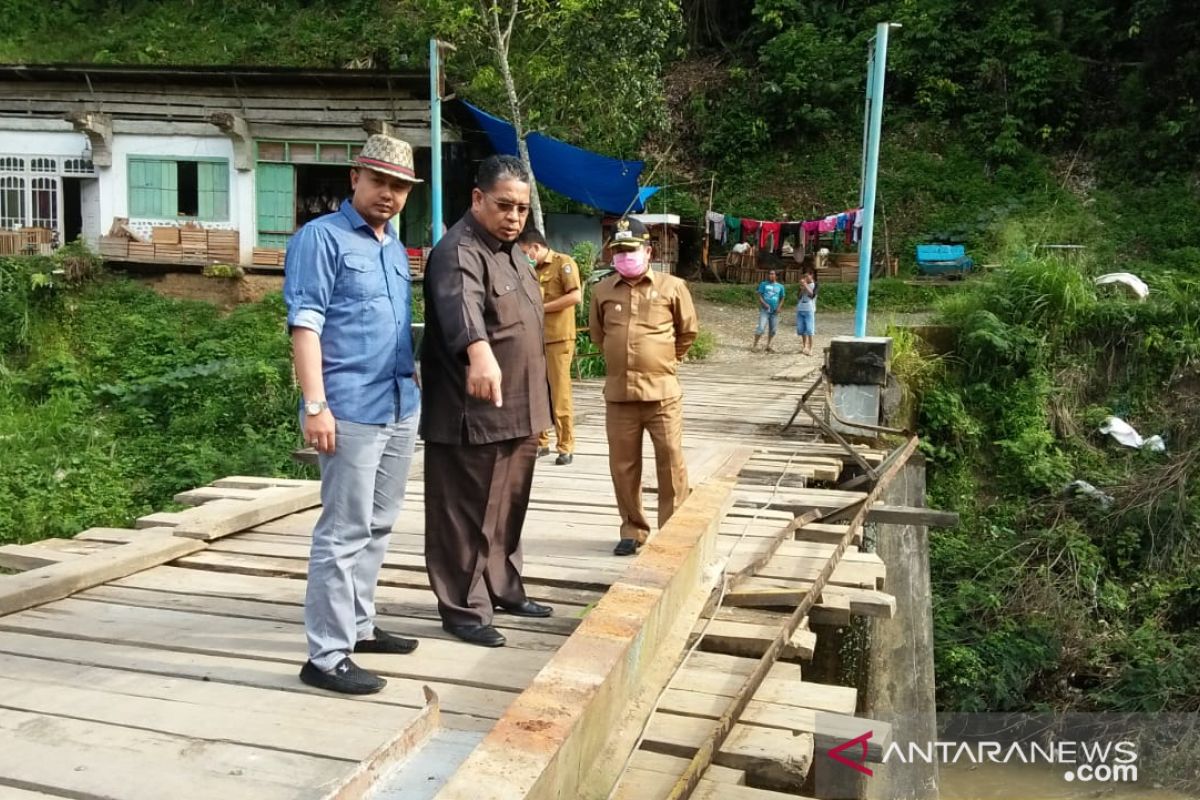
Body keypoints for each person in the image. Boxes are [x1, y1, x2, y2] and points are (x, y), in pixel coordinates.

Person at [283, 134, 423, 696]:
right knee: (342, 532)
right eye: (380, 182)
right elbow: (306, 325)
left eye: (400, 187)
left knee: (380, 523)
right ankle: (325, 655)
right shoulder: (321, 239)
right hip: (349, 409)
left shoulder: (392, 246)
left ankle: (360, 627)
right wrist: (315, 404)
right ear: (354, 180)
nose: (389, 195)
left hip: (398, 403)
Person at [420, 155, 554, 648]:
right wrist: (479, 354)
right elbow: (463, 310)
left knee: (507, 510)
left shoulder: (515, 252)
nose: (514, 217)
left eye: (521, 208)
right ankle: (463, 607)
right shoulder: (459, 250)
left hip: (519, 408)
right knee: (467, 513)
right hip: (470, 411)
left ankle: (502, 587)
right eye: (504, 205)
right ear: (477, 199)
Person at [589, 217, 699, 556]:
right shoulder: (601, 290)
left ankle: (673, 529)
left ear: (649, 251)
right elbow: (598, 335)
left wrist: (664, 361)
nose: (624, 257)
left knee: (671, 461)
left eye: (630, 250)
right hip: (620, 395)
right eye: (618, 252)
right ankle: (633, 528)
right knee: (623, 465)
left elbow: (688, 332)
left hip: (662, 394)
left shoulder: (673, 287)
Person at [517, 228, 582, 465]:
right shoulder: (528, 269)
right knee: (536, 391)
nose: (525, 256)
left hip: (558, 339)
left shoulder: (563, 263)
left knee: (559, 392)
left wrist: (542, 308)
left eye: (525, 251)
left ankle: (565, 445)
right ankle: (540, 442)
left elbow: (575, 296)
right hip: (533, 339)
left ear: (535, 247)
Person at [753, 269, 785, 352]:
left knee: (773, 330)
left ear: (776, 276)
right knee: (761, 328)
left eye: (772, 274)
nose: (771, 275)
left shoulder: (780, 286)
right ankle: (755, 345)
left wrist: (779, 307)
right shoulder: (764, 284)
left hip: (774, 311)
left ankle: (768, 345)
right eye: (770, 274)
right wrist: (764, 303)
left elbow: (782, 298)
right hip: (765, 310)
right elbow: (759, 295)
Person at [797, 265, 819, 356]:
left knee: (810, 330)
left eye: (807, 276)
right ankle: (804, 346)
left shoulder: (815, 284)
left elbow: (812, 295)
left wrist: (805, 285)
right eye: (804, 276)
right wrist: (802, 289)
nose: (805, 278)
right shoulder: (803, 285)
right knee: (801, 329)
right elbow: (798, 297)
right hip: (800, 308)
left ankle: (811, 348)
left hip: (809, 309)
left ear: (811, 275)